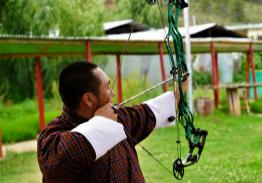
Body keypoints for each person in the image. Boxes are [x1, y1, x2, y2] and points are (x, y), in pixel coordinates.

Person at [37, 61, 188, 183]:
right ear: (89, 99)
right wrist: (100, 122)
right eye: (108, 87)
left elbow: (145, 113)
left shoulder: (116, 118)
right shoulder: (52, 138)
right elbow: (57, 163)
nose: (113, 92)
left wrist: (177, 93)